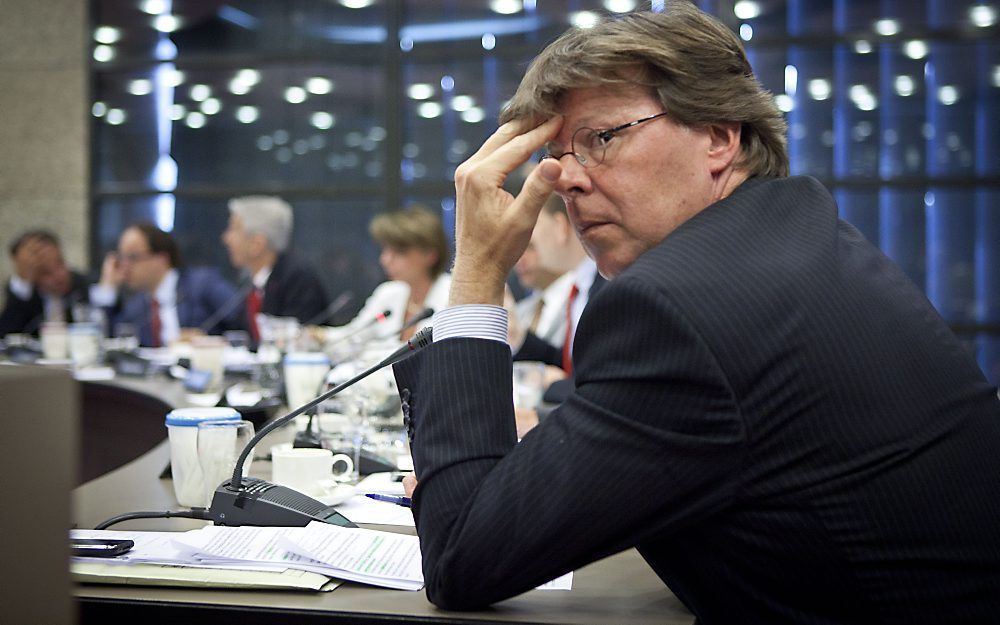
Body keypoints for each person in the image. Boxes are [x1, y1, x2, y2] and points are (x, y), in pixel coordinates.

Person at [391, 4, 1000, 622]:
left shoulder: (683, 306)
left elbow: (462, 558)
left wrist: (475, 275)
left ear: (718, 136)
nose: (565, 180)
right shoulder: (790, 233)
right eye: (556, 153)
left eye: (600, 138)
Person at [92, 223, 242, 346]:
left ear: (161, 259)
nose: (124, 267)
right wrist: (107, 286)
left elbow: (244, 324)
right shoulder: (137, 306)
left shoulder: (203, 284)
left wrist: (209, 341)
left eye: (132, 257)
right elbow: (106, 339)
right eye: (121, 258)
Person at [324, 206, 450, 345]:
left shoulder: (451, 296)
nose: (385, 260)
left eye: (399, 252)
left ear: (430, 254)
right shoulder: (389, 293)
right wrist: (318, 335)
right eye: (385, 249)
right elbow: (353, 337)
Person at [222, 195, 329, 341]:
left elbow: (295, 341)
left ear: (256, 244)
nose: (226, 238)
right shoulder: (249, 279)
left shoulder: (299, 279)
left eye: (233, 229)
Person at [1, 230, 92, 337]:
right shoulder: (22, 295)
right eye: (45, 272)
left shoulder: (84, 286)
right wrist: (24, 280)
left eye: (60, 263)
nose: (58, 275)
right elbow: (7, 337)